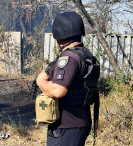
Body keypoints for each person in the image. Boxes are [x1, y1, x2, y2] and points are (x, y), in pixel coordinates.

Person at [36, 11, 98, 146]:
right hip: (80, 123)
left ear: (59, 35)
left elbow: (58, 90)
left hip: (67, 126)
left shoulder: (69, 58)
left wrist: (40, 81)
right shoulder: (85, 55)